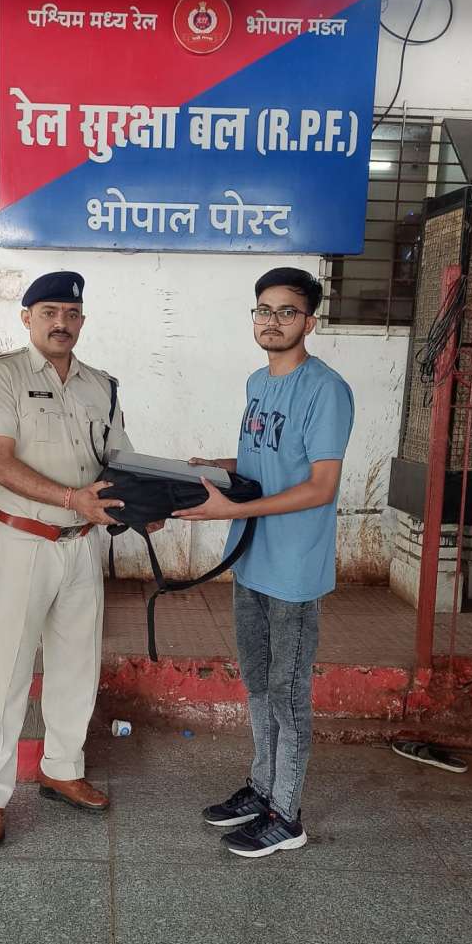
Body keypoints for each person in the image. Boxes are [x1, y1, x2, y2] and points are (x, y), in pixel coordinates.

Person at [175, 267, 354, 858]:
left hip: (293, 568)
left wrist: (231, 506)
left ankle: (286, 814)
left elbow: (320, 486)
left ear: (310, 322)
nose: (272, 321)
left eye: (286, 311)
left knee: (287, 691)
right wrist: (214, 468)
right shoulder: (257, 382)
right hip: (252, 556)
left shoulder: (325, 389)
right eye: (263, 310)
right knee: (257, 682)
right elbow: (263, 464)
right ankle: (262, 787)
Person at [0, 270, 133, 847]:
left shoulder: (102, 385)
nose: (61, 323)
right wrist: (70, 499)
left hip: (82, 545)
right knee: (6, 669)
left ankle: (62, 768)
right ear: (27, 318)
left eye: (71, 313)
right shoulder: (1, 377)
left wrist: (145, 504)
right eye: (49, 313)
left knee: (77, 665)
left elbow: (118, 461)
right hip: (24, 542)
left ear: (82, 320)